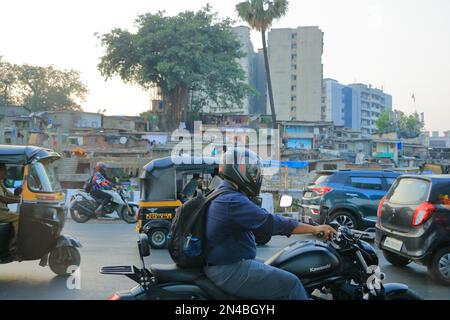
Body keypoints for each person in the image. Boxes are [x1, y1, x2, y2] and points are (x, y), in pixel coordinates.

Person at [204, 148, 337, 300]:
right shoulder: (232, 200)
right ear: (237, 171)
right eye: (251, 171)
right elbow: (270, 222)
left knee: (281, 268)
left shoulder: (223, 193)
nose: (255, 175)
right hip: (229, 269)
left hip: (230, 264)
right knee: (292, 284)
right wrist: (314, 229)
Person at [0, 164, 21, 252]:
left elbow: (9, 194)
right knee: (20, 218)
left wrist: (23, 199)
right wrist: (19, 201)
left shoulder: (1, 183)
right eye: (4, 170)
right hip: (1, 213)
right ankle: (15, 244)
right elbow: (3, 199)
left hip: (3, 212)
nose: (7, 173)